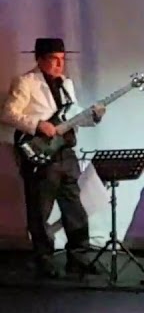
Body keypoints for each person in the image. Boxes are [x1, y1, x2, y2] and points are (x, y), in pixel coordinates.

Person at [2, 37, 104, 278]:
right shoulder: (26, 82)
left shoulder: (66, 84)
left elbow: (74, 115)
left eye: (62, 59)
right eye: (54, 59)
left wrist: (93, 116)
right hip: (40, 153)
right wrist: (37, 125)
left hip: (66, 153)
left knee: (74, 208)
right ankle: (43, 259)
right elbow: (8, 113)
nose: (60, 65)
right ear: (40, 59)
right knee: (40, 210)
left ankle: (78, 257)